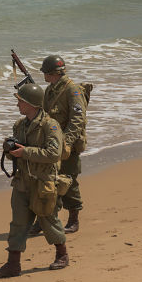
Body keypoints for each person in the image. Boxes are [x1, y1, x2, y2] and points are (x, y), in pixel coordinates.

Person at [0, 83, 69, 278]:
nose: (18, 104)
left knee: (48, 220)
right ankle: (13, 264)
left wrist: (25, 152)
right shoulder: (19, 125)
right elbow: (17, 154)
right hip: (22, 182)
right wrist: (10, 152)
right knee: (18, 223)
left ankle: (62, 254)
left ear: (32, 104)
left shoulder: (50, 125)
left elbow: (54, 153)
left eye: (21, 101)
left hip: (43, 182)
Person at [40, 55, 88, 233]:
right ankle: (46, 218)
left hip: (68, 146)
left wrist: (66, 143)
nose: (44, 76)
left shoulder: (72, 90)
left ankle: (74, 219)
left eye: (45, 72)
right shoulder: (50, 90)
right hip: (52, 144)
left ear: (52, 73)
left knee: (69, 181)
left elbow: (78, 119)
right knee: (48, 181)